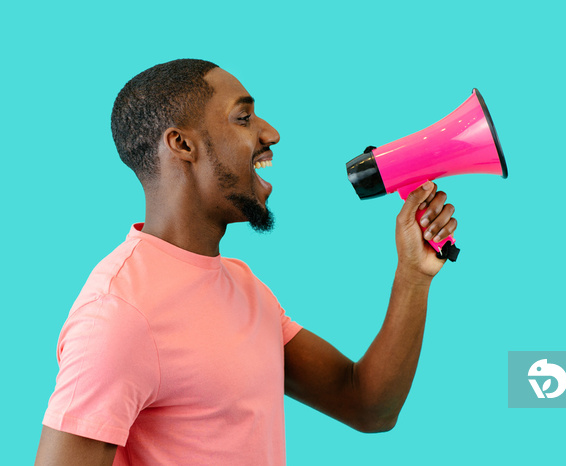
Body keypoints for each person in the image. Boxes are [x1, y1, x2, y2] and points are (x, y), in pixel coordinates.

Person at [35, 59, 458, 465]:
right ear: (182, 144)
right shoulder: (118, 314)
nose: (271, 133)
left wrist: (412, 276)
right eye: (243, 118)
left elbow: (368, 406)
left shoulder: (243, 286)